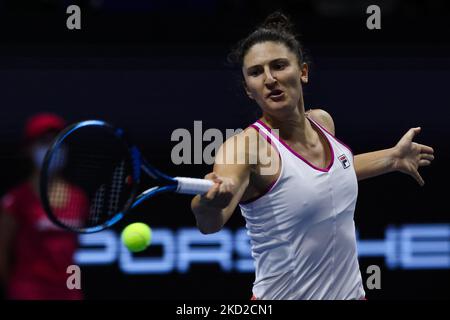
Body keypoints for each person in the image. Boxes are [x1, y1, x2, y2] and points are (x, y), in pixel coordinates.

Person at [190, 12, 435, 300]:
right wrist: (207, 203)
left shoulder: (322, 122)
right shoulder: (246, 148)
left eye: (279, 66)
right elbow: (211, 223)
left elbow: (325, 178)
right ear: (248, 90)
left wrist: (391, 158)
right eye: (256, 72)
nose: (269, 79)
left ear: (302, 72)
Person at [0, 113, 84, 300]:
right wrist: (16, 290)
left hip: (68, 290)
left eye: (58, 140)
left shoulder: (79, 197)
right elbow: (2, 252)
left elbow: (72, 254)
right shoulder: (15, 200)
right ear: (29, 149)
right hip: (29, 291)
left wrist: (75, 290)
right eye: (45, 141)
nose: (53, 147)